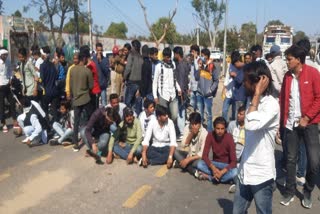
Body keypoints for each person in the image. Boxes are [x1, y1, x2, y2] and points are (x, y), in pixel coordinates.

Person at [233, 61, 279, 214]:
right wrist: (255, 97)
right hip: (244, 171)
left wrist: (257, 94)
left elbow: (251, 124)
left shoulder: (271, 105)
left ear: (259, 81)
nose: (244, 83)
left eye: (246, 80)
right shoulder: (251, 101)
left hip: (261, 176)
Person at [279, 44, 320, 209]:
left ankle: (308, 190)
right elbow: (283, 100)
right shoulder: (287, 77)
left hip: (309, 125)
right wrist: (280, 125)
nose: (287, 62)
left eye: (289, 59)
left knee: (314, 162)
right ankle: (289, 191)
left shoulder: (313, 73)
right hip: (290, 125)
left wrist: (307, 117)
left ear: (298, 59)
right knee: (290, 159)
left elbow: (319, 98)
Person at [196, 117, 237, 185]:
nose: (220, 131)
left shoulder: (229, 137)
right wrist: (213, 168)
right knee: (200, 164)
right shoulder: (210, 135)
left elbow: (234, 162)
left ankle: (210, 177)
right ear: (214, 128)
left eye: (222, 129)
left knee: (235, 171)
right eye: (218, 128)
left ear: (225, 129)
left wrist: (222, 172)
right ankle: (224, 179)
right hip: (215, 164)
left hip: (225, 166)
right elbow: (204, 156)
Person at [70, 46, 94, 152]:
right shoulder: (87, 71)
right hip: (85, 98)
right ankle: (91, 139)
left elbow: (70, 86)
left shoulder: (72, 70)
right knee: (90, 119)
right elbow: (91, 86)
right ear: (83, 59)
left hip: (75, 99)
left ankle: (75, 143)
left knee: (76, 122)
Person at [153, 47, 181, 126]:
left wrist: (179, 89)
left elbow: (174, 79)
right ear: (164, 57)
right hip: (163, 95)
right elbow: (154, 82)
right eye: (167, 57)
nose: (169, 59)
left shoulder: (173, 65)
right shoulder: (158, 66)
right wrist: (155, 96)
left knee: (175, 116)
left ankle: (170, 128)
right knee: (162, 116)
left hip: (172, 94)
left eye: (169, 57)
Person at [194, 48, 219, 131]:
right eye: (201, 55)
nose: (202, 57)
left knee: (208, 114)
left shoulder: (212, 66)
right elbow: (196, 78)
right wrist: (199, 68)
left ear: (207, 56)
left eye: (203, 55)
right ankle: (200, 130)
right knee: (200, 113)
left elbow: (216, 80)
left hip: (208, 95)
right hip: (199, 94)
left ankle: (209, 131)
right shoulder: (200, 65)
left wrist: (211, 90)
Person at [173, 46, 190, 140]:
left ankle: (182, 133)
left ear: (177, 54)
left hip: (181, 92)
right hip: (182, 91)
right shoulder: (183, 63)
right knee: (181, 112)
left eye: (174, 54)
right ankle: (182, 132)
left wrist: (181, 92)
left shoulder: (181, 65)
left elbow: (182, 80)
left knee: (180, 113)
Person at [39, 46, 60, 122]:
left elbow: (42, 79)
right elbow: (56, 77)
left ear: (43, 55)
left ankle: (47, 128)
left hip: (47, 92)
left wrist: (37, 79)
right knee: (54, 110)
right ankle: (57, 126)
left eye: (41, 54)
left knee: (45, 111)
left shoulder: (42, 66)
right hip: (54, 91)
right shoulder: (52, 65)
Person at [0, 48, 18, 132]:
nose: (5, 56)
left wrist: (10, 78)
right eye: (4, 55)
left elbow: (10, 71)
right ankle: (3, 123)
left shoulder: (7, 61)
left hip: (7, 85)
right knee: (2, 106)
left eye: (6, 55)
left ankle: (15, 120)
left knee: (12, 103)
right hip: (0, 86)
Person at [123, 39, 143, 115]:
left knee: (127, 102)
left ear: (134, 47)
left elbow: (128, 68)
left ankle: (127, 116)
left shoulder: (131, 55)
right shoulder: (141, 57)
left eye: (132, 46)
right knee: (136, 104)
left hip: (131, 82)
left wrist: (124, 77)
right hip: (139, 83)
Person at [189, 44, 200, 111]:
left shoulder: (200, 60)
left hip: (198, 87)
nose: (191, 53)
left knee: (199, 105)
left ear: (197, 52)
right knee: (192, 105)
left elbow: (197, 70)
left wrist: (195, 59)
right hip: (192, 87)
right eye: (191, 52)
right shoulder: (192, 61)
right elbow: (191, 74)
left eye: (193, 52)